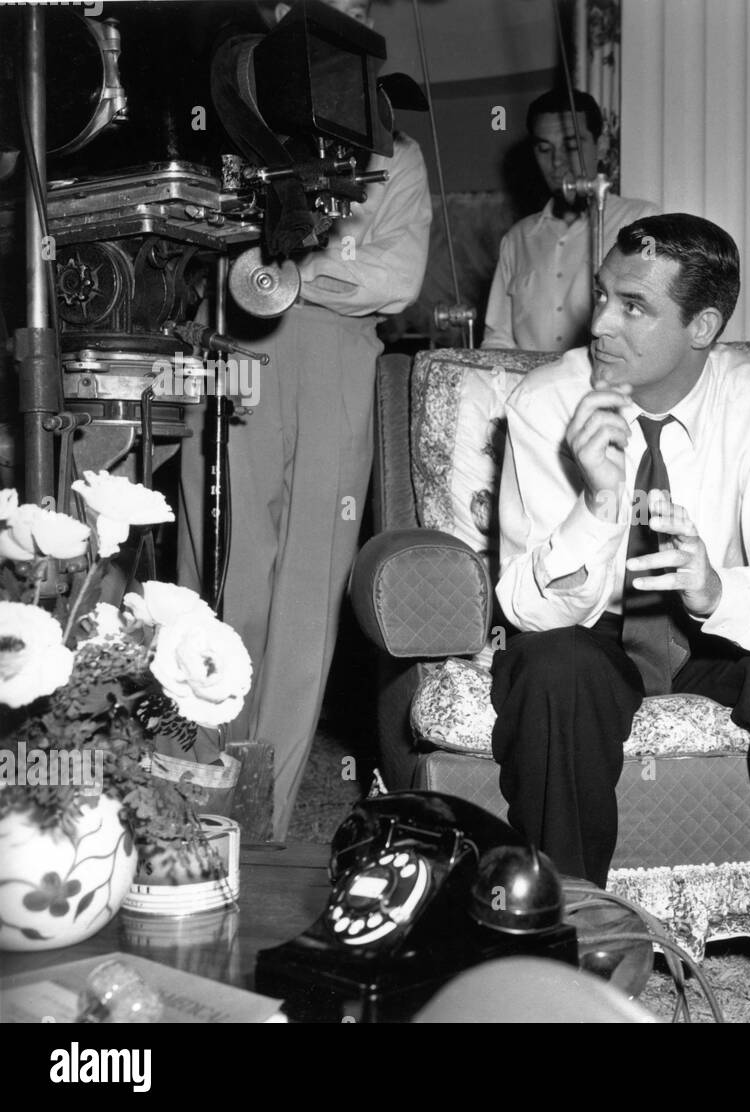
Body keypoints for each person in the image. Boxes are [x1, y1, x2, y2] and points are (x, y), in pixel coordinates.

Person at [491, 213, 750, 895]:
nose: (601, 322)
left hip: (716, 643)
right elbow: (525, 605)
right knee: (552, 668)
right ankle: (567, 940)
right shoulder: (549, 401)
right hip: (594, 639)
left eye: (634, 306)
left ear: (702, 328)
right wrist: (599, 504)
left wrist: (719, 594)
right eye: (604, 295)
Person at [178, 0, 433, 840]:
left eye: (356, 6)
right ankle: (190, 807)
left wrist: (282, 267)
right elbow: (194, 248)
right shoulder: (217, 121)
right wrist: (324, 259)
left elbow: (394, 281)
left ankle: (256, 817)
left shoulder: (394, 154)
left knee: (306, 595)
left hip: (336, 364)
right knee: (219, 572)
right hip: (231, 354)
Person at [481, 88, 657, 351]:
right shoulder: (517, 239)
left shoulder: (641, 221)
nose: (557, 162)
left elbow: (655, 324)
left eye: (572, 146)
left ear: (602, 146)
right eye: (544, 149)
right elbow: (498, 340)